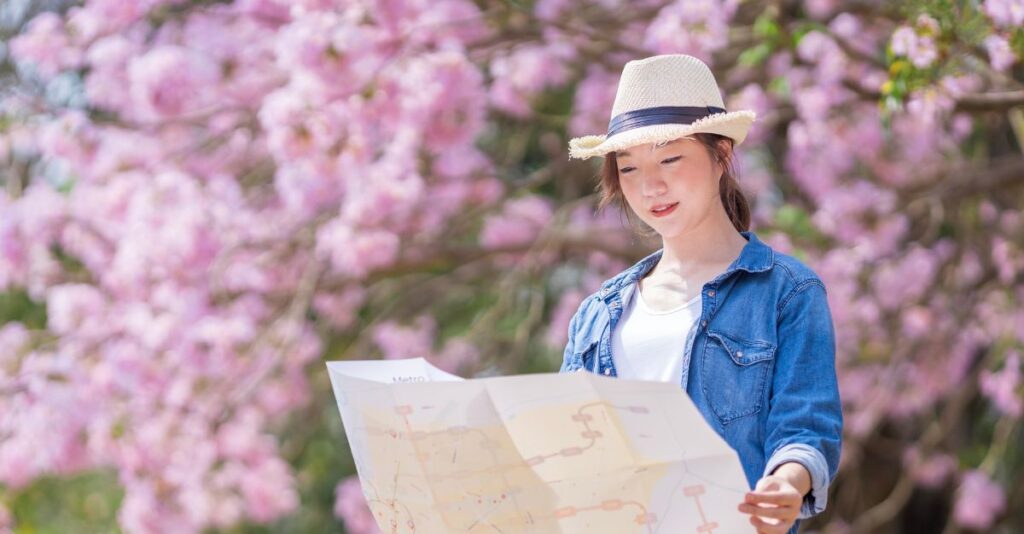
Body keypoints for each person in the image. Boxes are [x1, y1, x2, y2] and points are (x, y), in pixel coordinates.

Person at [560, 54, 842, 534]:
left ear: (721, 156)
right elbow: (564, 449)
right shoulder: (596, 316)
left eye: (670, 158)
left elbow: (805, 428)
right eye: (628, 169)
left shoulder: (787, 294)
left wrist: (787, 483)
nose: (651, 185)